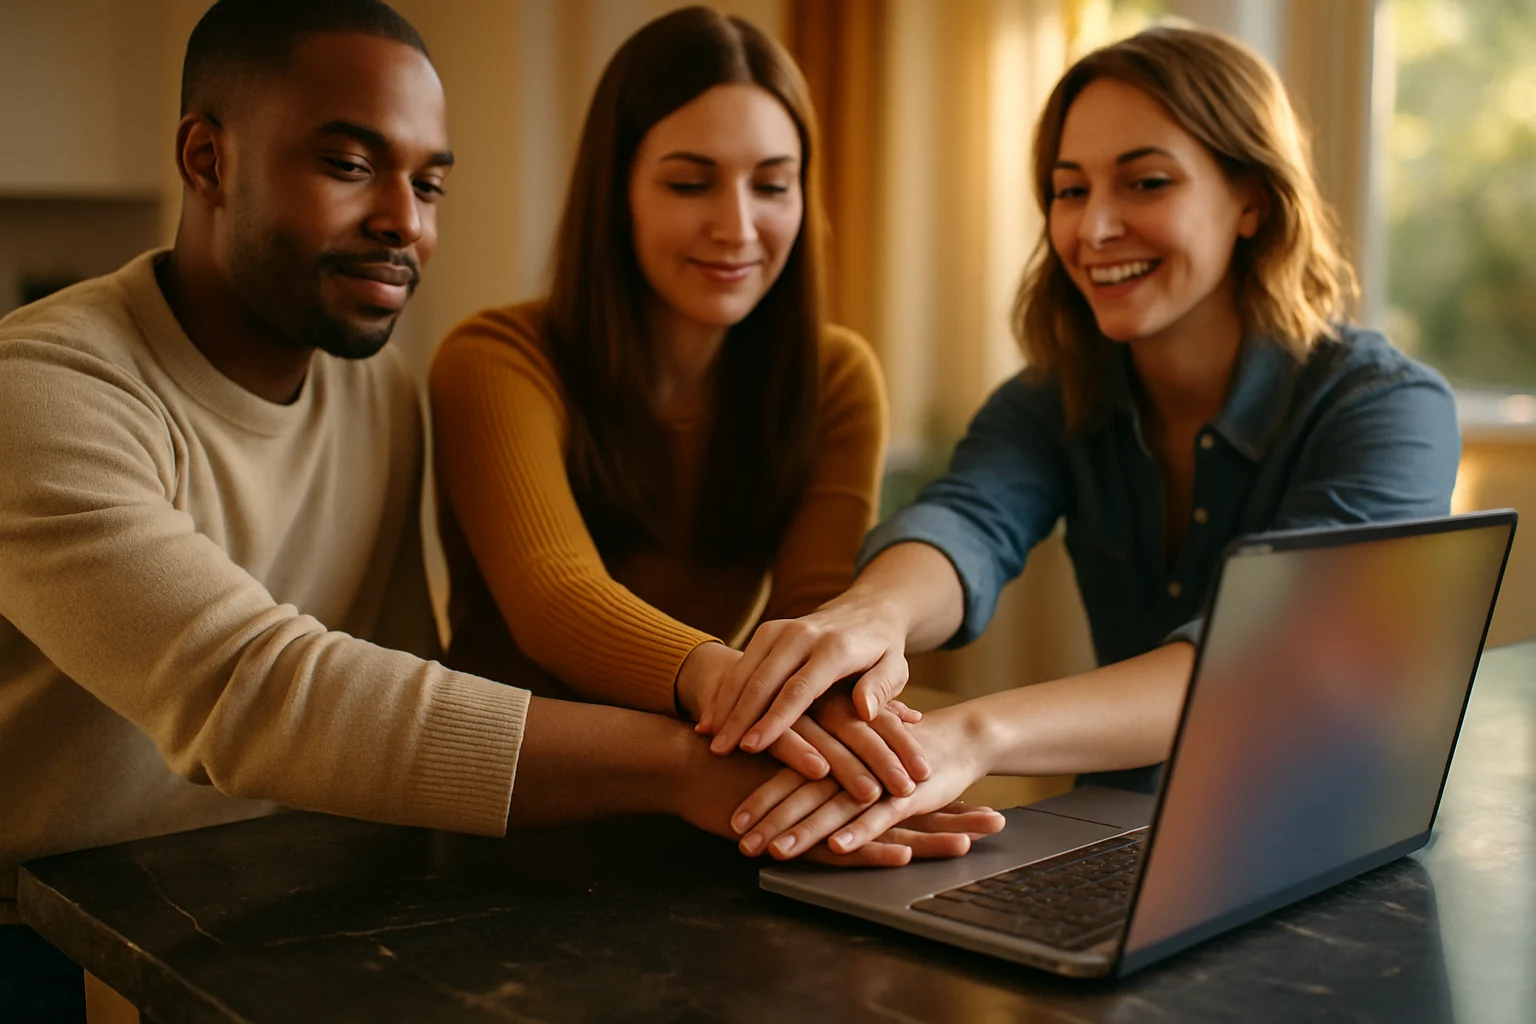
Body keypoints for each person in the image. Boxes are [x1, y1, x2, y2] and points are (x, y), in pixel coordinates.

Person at [0, 3, 992, 1018]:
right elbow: (258, 692)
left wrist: (834, 749)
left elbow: (390, 664)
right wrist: (690, 759)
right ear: (207, 160)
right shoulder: (40, 392)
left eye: (429, 183)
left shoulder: (369, 385)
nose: (407, 220)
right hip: (49, 927)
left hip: (333, 879)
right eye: (350, 166)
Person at [710, 25, 1463, 859]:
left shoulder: (1390, 410)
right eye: (1069, 191)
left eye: (1145, 182)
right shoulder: (1050, 398)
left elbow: (1270, 669)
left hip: (1329, 849)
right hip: (1126, 838)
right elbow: (968, 519)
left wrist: (975, 737)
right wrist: (871, 616)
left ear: (1250, 199)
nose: (1095, 228)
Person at [429, 6, 952, 817]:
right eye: (689, 182)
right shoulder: (495, 358)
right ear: (618, 192)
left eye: (773, 185)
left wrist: (859, 744)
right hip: (514, 803)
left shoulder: (836, 376)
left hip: (718, 785)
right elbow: (554, 596)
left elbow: (815, 611)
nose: (738, 227)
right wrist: (739, 683)